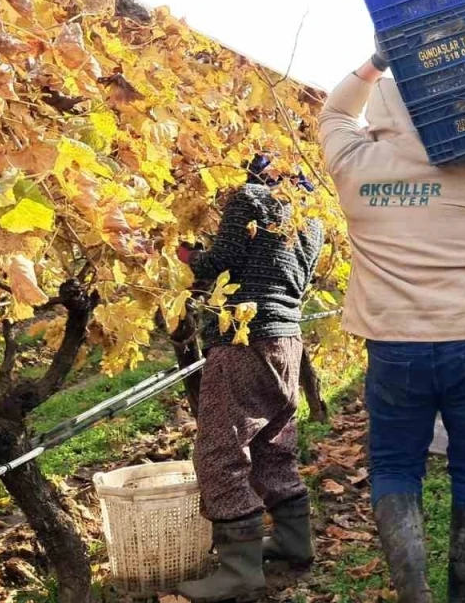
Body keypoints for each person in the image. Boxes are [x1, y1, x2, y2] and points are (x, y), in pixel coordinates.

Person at [317, 54, 465, 603]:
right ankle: (462, 593)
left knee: (396, 464)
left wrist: (375, 64)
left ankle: (415, 593)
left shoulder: (354, 160)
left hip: (395, 345)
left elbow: (334, 113)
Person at [175, 153, 325, 602]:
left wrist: (182, 253)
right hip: (286, 340)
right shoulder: (311, 215)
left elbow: (218, 262)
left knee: (220, 450)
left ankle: (239, 570)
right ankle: (294, 541)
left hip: (244, 339)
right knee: (272, 441)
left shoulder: (250, 197)